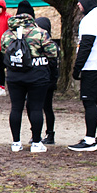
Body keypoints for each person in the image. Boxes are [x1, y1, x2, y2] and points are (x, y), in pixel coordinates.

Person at [1, 0, 58, 153]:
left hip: (14, 76)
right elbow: (53, 52)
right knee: (36, 108)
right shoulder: (40, 33)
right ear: (31, 16)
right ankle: (36, 143)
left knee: (16, 108)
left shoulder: (7, 34)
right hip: (37, 76)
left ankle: (16, 143)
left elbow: (3, 51)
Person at [69, 0, 97, 151]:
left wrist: (77, 69)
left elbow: (86, 45)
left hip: (93, 66)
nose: (79, 4)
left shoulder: (90, 19)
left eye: (80, 1)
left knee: (89, 102)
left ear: (87, 1)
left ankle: (89, 140)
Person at [35, 16, 59, 145]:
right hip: (38, 80)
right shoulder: (35, 42)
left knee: (47, 108)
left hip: (47, 81)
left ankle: (50, 133)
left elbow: (53, 65)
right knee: (37, 107)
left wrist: (52, 81)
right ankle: (36, 133)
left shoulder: (50, 45)